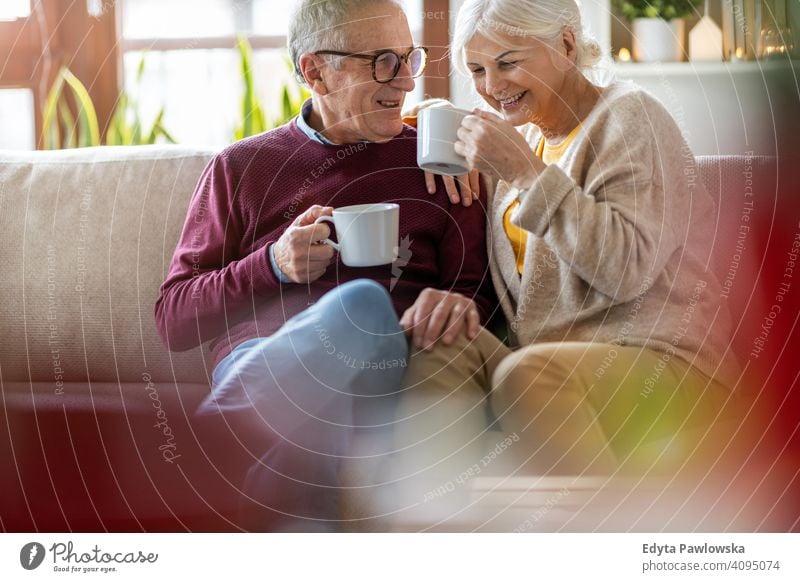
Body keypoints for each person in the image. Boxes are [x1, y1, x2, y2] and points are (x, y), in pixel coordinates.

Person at [154, 0, 494, 532]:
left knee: (366, 311)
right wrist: (273, 265)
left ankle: (197, 463)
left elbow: (480, 292)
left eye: (410, 58)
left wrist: (458, 302)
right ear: (315, 70)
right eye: (383, 60)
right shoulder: (241, 167)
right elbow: (173, 319)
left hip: (390, 368)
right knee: (350, 335)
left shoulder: (436, 160)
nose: (405, 81)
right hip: (267, 363)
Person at [391, 0, 741, 510]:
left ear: (567, 44)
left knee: (526, 374)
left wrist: (527, 174)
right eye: (477, 70)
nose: (492, 85)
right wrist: (422, 123)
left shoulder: (629, 117)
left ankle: (615, 541)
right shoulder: (525, 136)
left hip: (665, 361)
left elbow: (626, 270)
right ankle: (436, 530)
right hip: (551, 364)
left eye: (509, 62)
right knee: (438, 344)